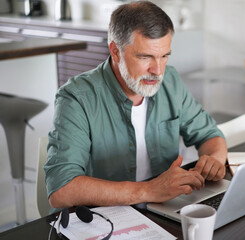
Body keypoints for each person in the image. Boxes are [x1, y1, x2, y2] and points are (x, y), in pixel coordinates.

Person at [44, 1, 227, 213]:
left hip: (160, 211)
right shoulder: (77, 97)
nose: (157, 70)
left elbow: (211, 135)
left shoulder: (170, 81)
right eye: (145, 57)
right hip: (100, 219)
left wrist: (214, 160)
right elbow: (61, 189)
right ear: (115, 51)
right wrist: (148, 191)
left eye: (164, 56)